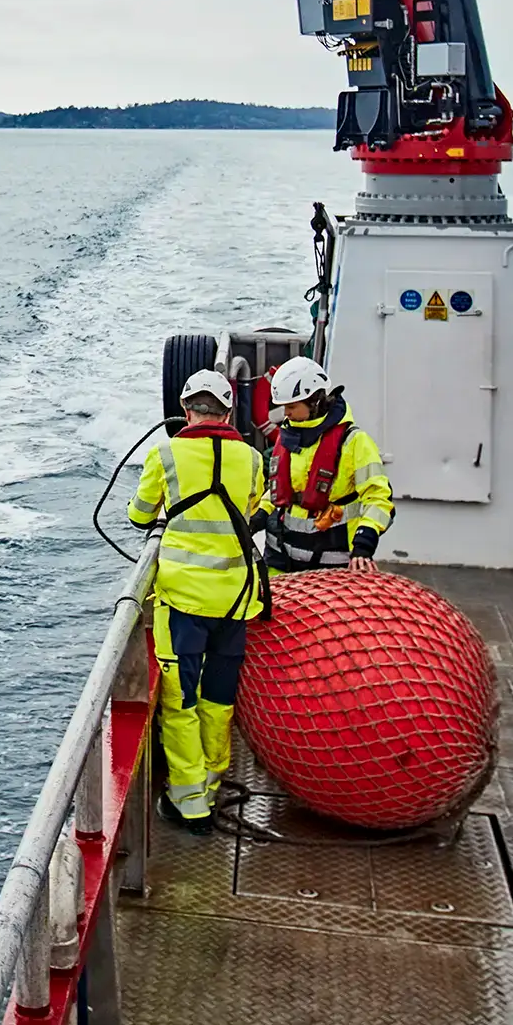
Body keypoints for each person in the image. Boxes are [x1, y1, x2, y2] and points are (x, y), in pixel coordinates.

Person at [126, 366, 267, 833]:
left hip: (183, 603)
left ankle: (189, 803)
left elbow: (139, 513)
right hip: (234, 601)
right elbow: (251, 509)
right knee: (218, 698)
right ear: (228, 411)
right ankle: (210, 781)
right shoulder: (250, 457)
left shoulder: (164, 454)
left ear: (186, 410)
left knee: (180, 702)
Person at [260, 356, 393, 572]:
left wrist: (364, 542)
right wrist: (261, 513)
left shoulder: (354, 442)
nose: (286, 413)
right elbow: (280, 488)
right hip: (281, 558)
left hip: (331, 562)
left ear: (315, 402)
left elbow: (378, 498)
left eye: (292, 406)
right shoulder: (288, 437)